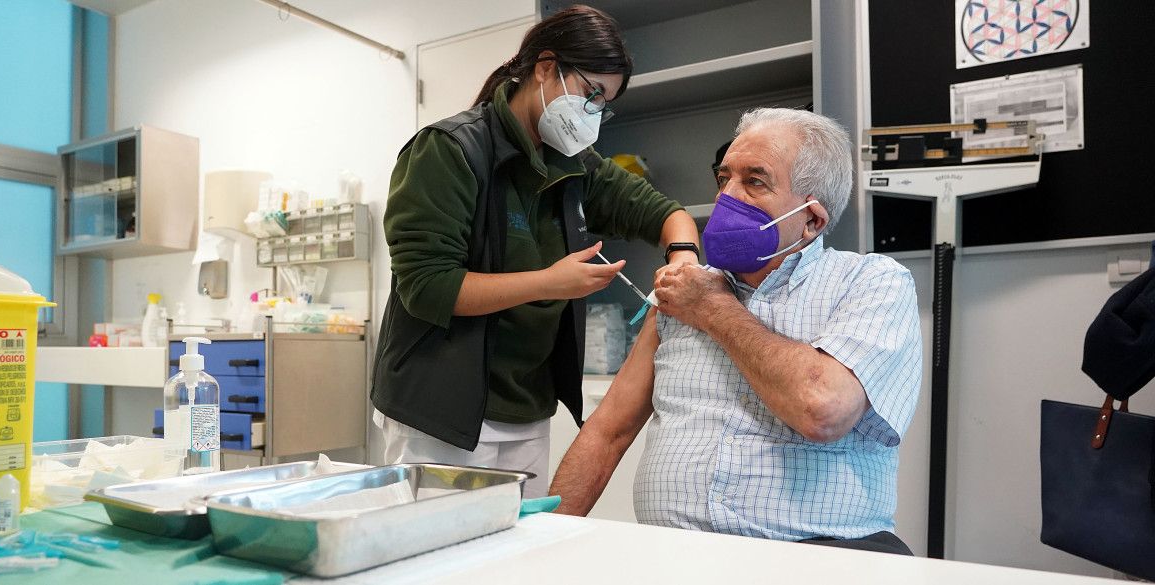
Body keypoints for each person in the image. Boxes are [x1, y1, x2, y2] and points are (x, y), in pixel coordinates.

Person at [548, 108, 923, 555]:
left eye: (755, 181)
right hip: (673, 558)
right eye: (723, 177)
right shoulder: (680, 295)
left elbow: (823, 409)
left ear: (812, 220)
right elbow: (607, 431)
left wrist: (714, 308)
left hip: (817, 559)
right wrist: (543, 539)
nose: (728, 196)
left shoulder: (872, 283)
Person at [371, 5, 700, 498]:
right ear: (546, 67)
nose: (593, 114)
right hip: (441, 412)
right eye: (591, 94)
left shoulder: (574, 163)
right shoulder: (449, 150)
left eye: (603, 104)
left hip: (527, 408)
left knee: (516, 559)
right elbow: (429, 287)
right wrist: (550, 283)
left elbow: (663, 213)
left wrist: (683, 259)